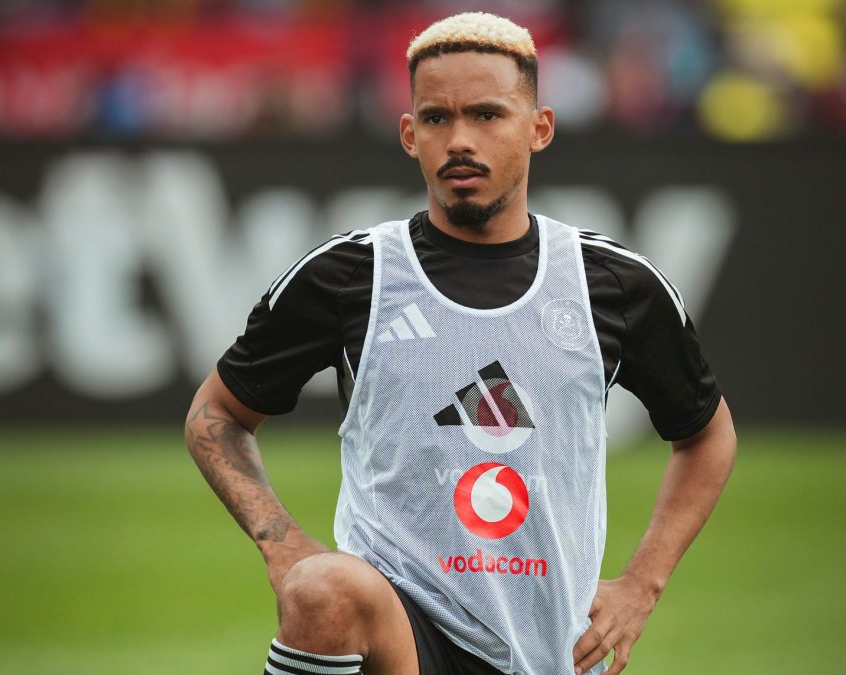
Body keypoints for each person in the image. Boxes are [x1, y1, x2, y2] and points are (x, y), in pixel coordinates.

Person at [185, 11, 736, 675]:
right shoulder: (352, 274)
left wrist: (641, 584)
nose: (459, 140)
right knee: (323, 589)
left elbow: (706, 434)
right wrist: (281, 546)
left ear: (539, 128)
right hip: (400, 631)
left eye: (487, 115)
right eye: (437, 118)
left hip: (551, 647)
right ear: (409, 134)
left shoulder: (613, 284)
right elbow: (217, 413)